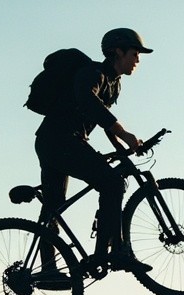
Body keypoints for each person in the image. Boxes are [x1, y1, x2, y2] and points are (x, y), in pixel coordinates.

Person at [34, 27, 154, 280]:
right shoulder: (93, 72)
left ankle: (48, 271)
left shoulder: (114, 84)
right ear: (117, 52)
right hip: (59, 141)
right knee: (112, 184)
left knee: (54, 206)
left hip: (61, 142)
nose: (138, 60)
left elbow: (101, 119)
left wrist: (123, 149)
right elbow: (89, 103)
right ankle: (111, 252)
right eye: (134, 53)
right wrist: (125, 134)